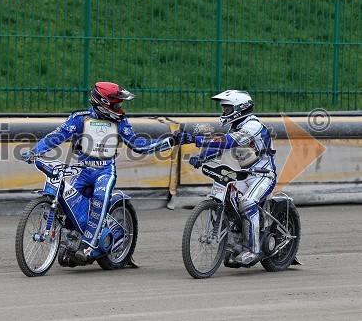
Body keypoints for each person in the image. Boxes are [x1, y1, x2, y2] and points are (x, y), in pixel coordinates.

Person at [21, 82, 174, 262]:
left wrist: (167, 141)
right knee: (67, 206)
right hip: (83, 171)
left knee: (99, 199)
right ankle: (71, 240)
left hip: (105, 172)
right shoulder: (80, 118)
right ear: (103, 103)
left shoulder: (120, 122)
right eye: (116, 104)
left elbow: (138, 145)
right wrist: (35, 151)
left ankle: (88, 245)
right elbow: (56, 136)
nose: (120, 108)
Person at [174, 90, 277, 265]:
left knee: (247, 202)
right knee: (230, 202)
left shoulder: (253, 126)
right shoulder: (235, 126)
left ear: (240, 108)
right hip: (245, 175)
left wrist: (194, 139)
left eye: (228, 108)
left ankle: (252, 250)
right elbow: (219, 146)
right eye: (224, 108)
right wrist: (202, 157)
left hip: (263, 174)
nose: (224, 112)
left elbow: (229, 142)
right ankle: (234, 243)